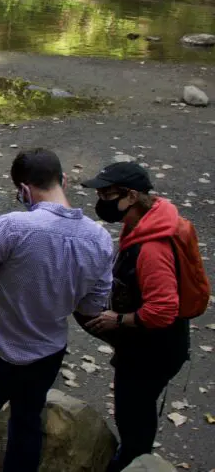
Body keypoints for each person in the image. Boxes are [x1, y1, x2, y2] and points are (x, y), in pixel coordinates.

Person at [0, 148, 115, 472]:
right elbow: (92, 305)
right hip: (47, 352)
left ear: (23, 190)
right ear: (62, 179)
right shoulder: (101, 240)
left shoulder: (14, 226)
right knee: (27, 425)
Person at [81, 162, 190, 472]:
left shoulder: (152, 247)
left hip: (155, 348)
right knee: (134, 405)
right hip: (148, 343)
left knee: (134, 410)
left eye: (106, 193)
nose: (100, 200)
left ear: (130, 196)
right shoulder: (144, 221)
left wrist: (117, 321)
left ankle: (133, 461)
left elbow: (163, 309)